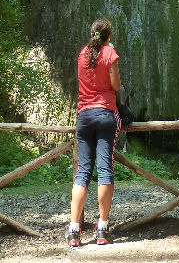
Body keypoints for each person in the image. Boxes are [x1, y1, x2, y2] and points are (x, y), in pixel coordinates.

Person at [66, 18, 121, 247]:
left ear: (92, 34)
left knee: (82, 173)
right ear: (108, 36)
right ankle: (102, 227)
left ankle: (74, 229)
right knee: (105, 170)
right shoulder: (109, 54)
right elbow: (116, 85)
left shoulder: (82, 54)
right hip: (105, 114)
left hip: (84, 116)